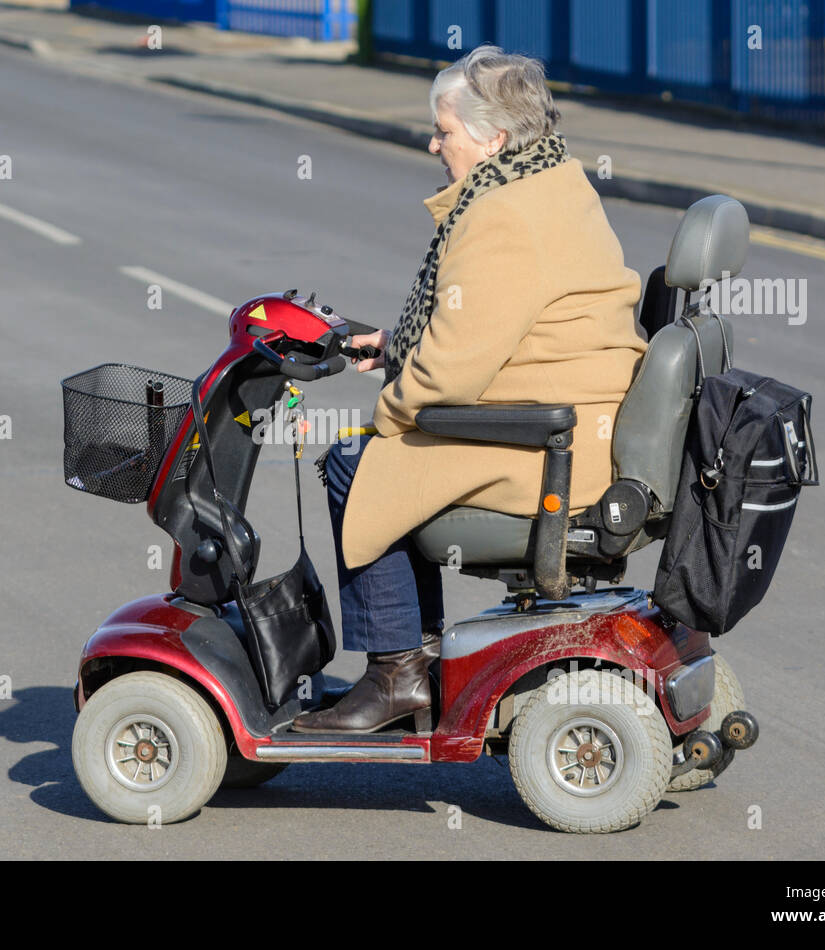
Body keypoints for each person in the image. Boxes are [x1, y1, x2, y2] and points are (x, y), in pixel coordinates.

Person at [291, 45, 648, 734]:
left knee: (354, 460)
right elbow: (504, 323)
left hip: (544, 444)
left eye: (444, 130)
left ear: (493, 137)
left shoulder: (500, 215)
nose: (434, 142)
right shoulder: (557, 180)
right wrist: (398, 349)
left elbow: (452, 372)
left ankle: (397, 674)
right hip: (576, 419)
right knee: (379, 449)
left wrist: (390, 413)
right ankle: (412, 664)